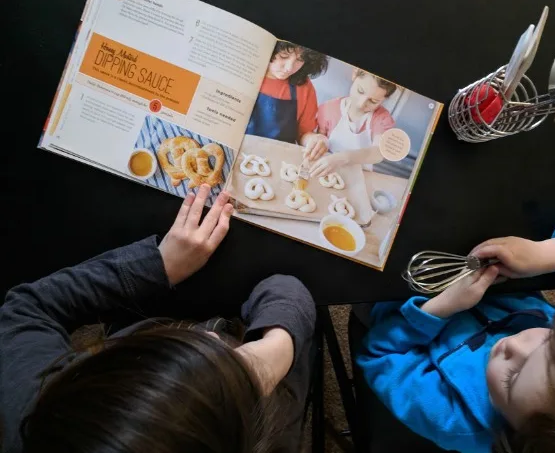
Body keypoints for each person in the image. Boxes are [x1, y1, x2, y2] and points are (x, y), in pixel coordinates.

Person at [0, 185, 316, 453]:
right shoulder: (273, 428)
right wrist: (276, 349)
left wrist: (159, 265)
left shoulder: (28, 405)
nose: (209, 337)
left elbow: (25, 309)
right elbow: (288, 289)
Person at [356, 210, 555, 453]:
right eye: (547, 341)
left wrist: (440, 308)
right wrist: (548, 254)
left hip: (398, 303)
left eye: (512, 378)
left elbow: (379, 354)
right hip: (483, 257)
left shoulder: (451, 418)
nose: (511, 345)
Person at [302, 69, 397, 178]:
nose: (361, 104)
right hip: (327, 172)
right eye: (360, 91)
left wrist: (344, 158)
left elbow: (378, 152)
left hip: (361, 176)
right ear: (355, 74)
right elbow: (318, 138)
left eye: (373, 101)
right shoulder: (328, 109)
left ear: (384, 99)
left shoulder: (382, 118)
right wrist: (318, 140)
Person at [246, 40, 328, 144]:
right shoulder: (245, 71)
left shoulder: (305, 88)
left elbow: (304, 134)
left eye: (300, 59)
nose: (289, 68)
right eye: (284, 56)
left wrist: (315, 140)